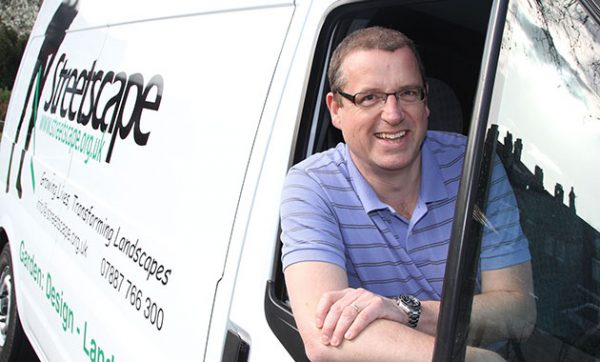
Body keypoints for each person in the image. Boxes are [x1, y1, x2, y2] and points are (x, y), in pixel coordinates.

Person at [279, 26, 536, 361]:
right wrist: (474, 359)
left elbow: (519, 312)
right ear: (336, 110)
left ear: (426, 101)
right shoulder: (312, 185)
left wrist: (408, 312)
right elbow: (324, 337)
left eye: (408, 93)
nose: (393, 114)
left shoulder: (473, 166)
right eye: (369, 97)